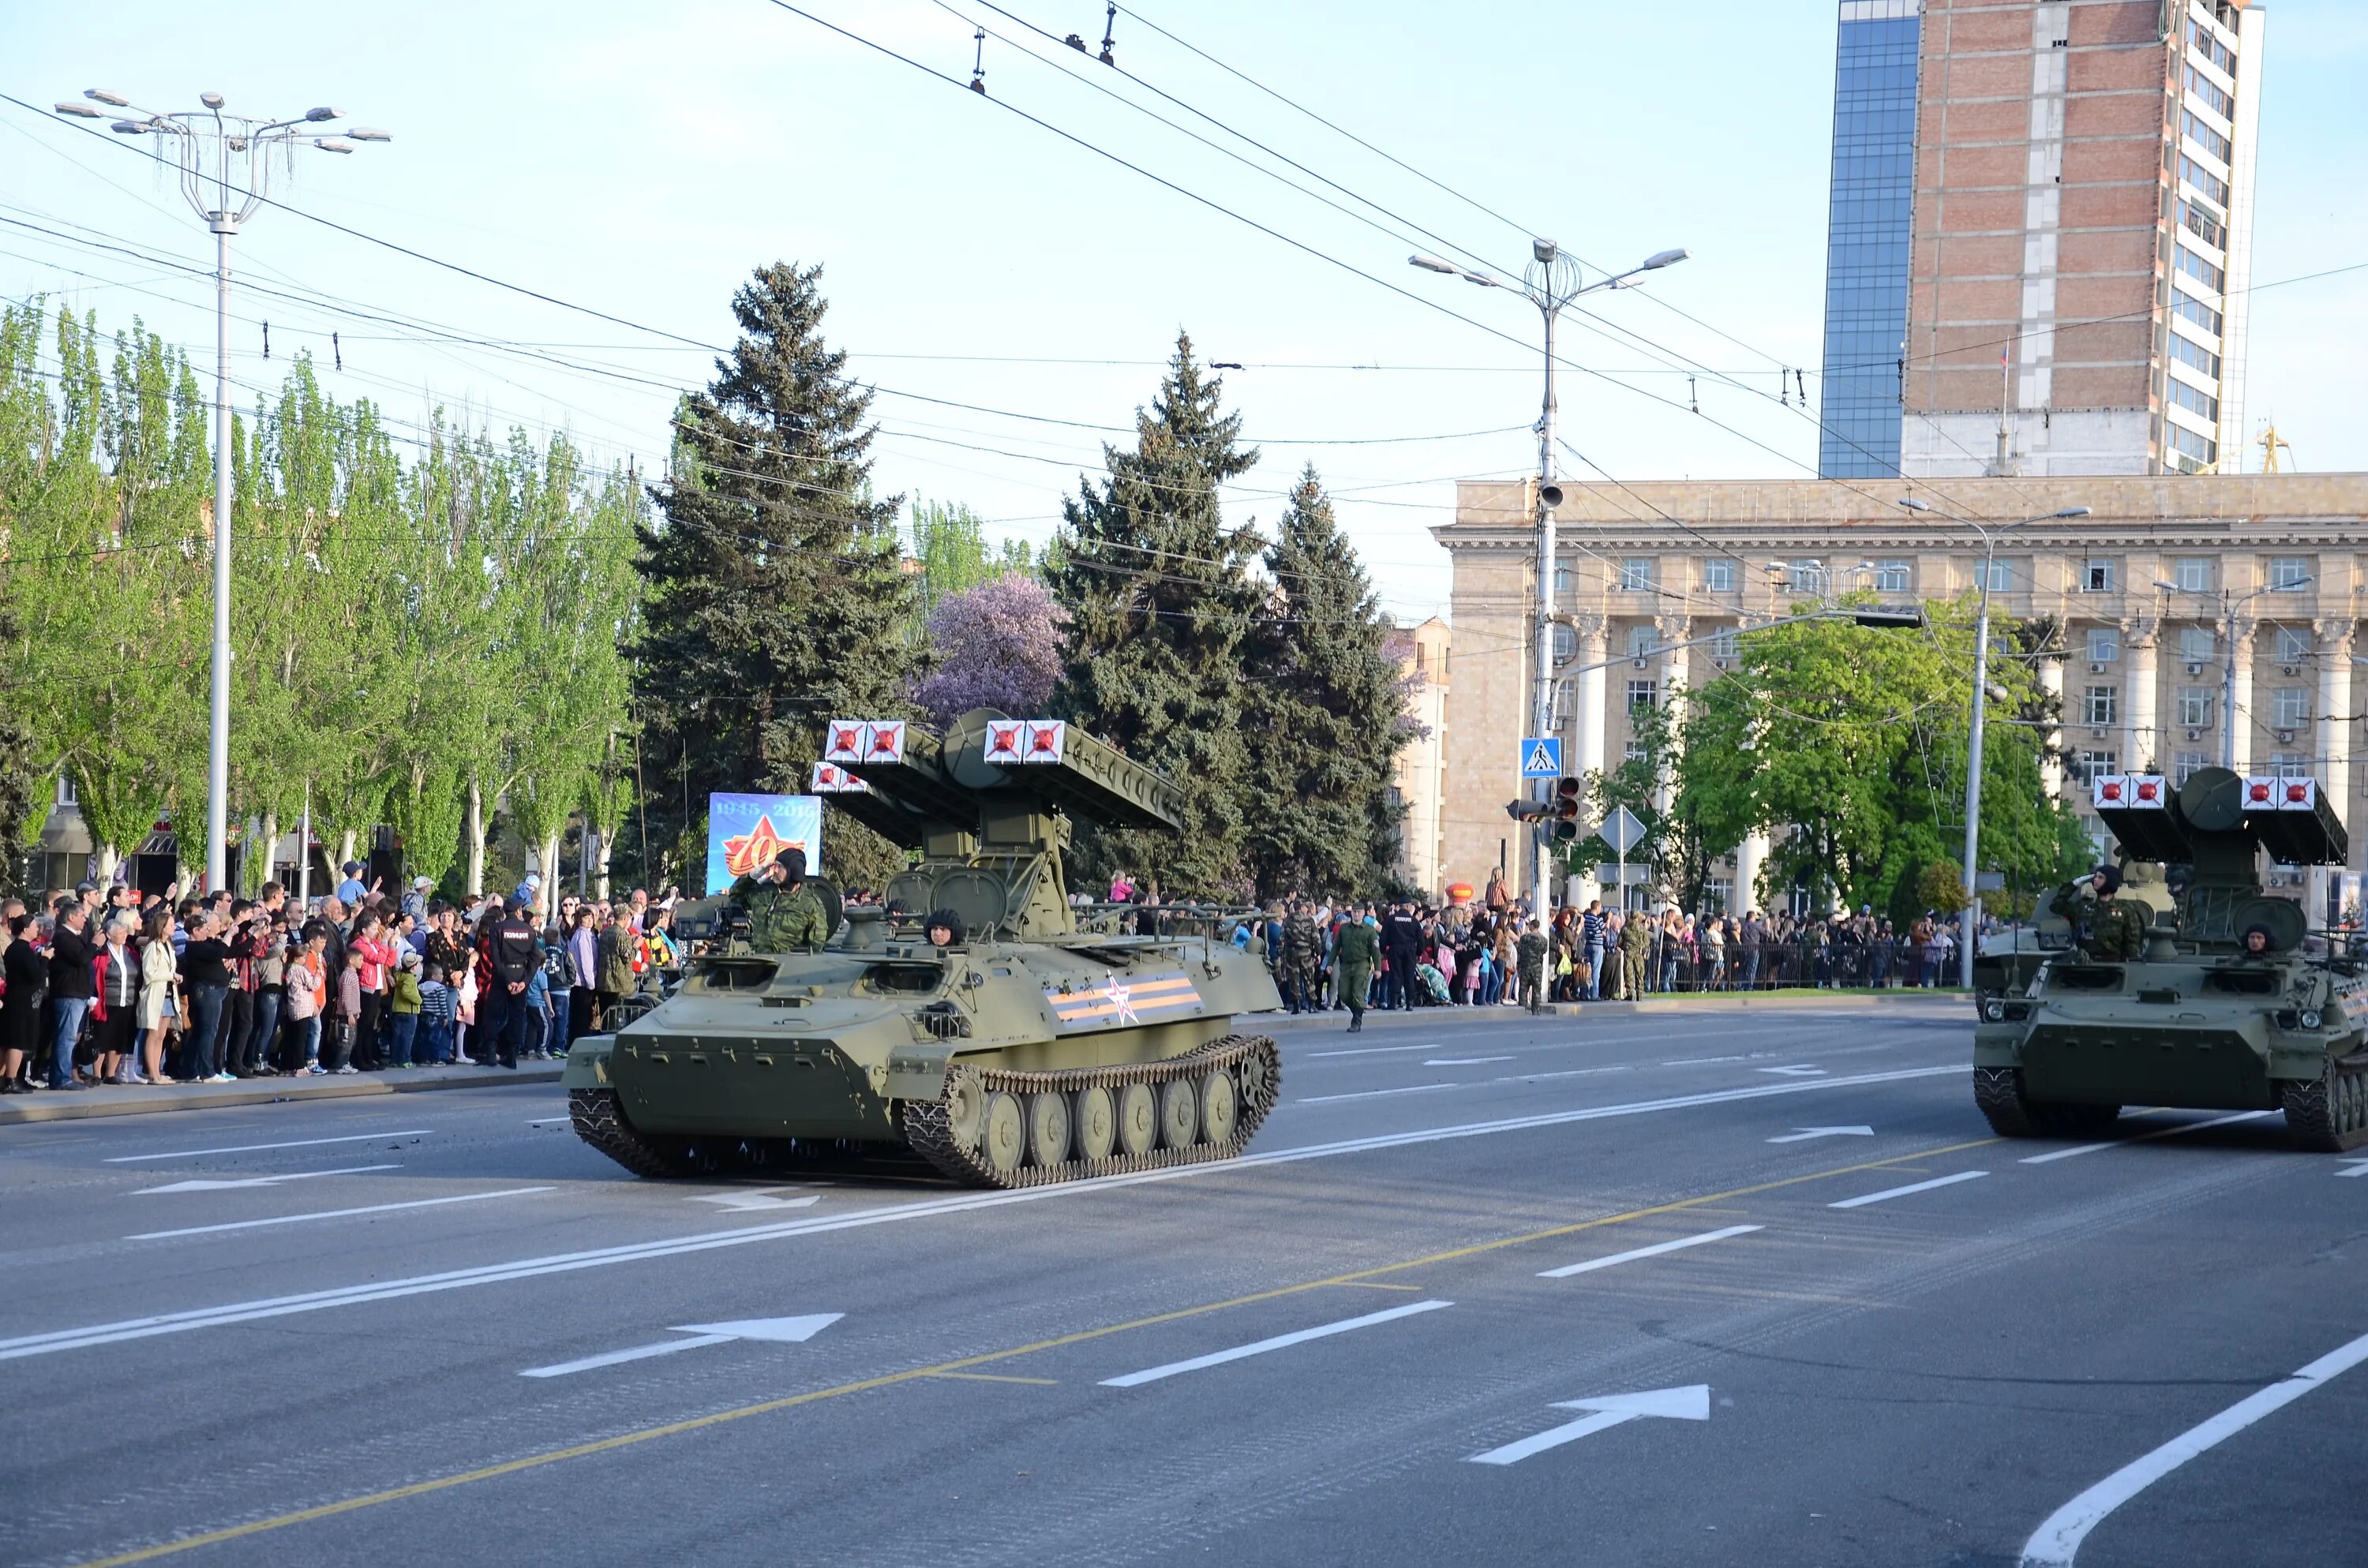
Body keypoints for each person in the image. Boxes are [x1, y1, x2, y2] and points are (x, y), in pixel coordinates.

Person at [727, 846, 830, 952]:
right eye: (775, 865)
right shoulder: (763, 893)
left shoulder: (810, 904)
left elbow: (816, 946)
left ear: (794, 872)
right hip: (758, 961)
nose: (775, 871)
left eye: (780, 867)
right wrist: (751, 877)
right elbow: (734, 896)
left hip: (790, 964)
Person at [482, 896, 539, 1069]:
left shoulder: (497, 929)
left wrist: (507, 981)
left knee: (494, 1013)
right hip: (521, 974)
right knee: (517, 1016)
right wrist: (524, 981)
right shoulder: (529, 930)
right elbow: (535, 958)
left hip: (502, 976)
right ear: (519, 911)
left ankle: (491, 1053)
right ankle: (512, 1055)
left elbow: (495, 958)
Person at [2051, 864, 2148, 962]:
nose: (2095, 880)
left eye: (2100, 877)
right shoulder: (2083, 906)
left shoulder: (2125, 909)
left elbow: (2132, 943)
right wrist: (2075, 884)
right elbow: (2056, 906)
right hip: (2085, 963)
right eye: (2095, 877)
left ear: (2110, 881)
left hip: (2113, 966)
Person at [47, 902, 96, 1091]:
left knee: (69, 1038)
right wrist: (93, 945)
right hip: (68, 993)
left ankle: (62, 1077)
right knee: (66, 1038)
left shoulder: (72, 936)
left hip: (77, 992)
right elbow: (81, 958)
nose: (85, 920)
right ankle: (61, 1079)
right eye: (82, 916)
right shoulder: (63, 936)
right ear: (71, 917)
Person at [91, 913, 141, 1084]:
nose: (124, 935)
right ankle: (97, 1073)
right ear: (109, 935)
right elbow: (97, 975)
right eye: (120, 933)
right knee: (103, 1039)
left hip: (127, 1001)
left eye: (125, 933)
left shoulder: (129, 952)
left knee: (119, 1039)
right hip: (107, 1002)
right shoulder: (102, 952)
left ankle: (110, 1074)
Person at [1, 913, 49, 1093]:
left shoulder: (14, 948)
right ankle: (11, 1079)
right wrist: (45, 959)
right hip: (22, 1002)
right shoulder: (23, 950)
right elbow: (36, 976)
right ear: (26, 929)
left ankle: (6, 1078)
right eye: (35, 926)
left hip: (15, 998)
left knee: (7, 1041)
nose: (38, 929)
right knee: (16, 1043)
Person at [1332, 912, 1378, 1032]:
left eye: (1359, 912)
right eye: (1354, 912)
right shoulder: (1344, 929)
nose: (1356, 915)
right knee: (1343, 993)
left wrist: (1378, 968)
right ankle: (1359, 1011)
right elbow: (1336, 947)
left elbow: (1375, 950)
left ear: (1363, 914)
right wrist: (1329, 964)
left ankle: (1356, 1021)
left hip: (1362, 964)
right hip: (1347, 965)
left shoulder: (1369, 930)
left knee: (1358, 991)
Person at [386, 948, 424, 1068]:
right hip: (409, 1011)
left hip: (397, 1010)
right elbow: (407, 992)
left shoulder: (398, 975)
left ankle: (395, 1059)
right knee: (407, 1037)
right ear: (413, 967)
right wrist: (419, 1000)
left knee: (397, 1037)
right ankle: (405, 1060)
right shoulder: (410, 978)